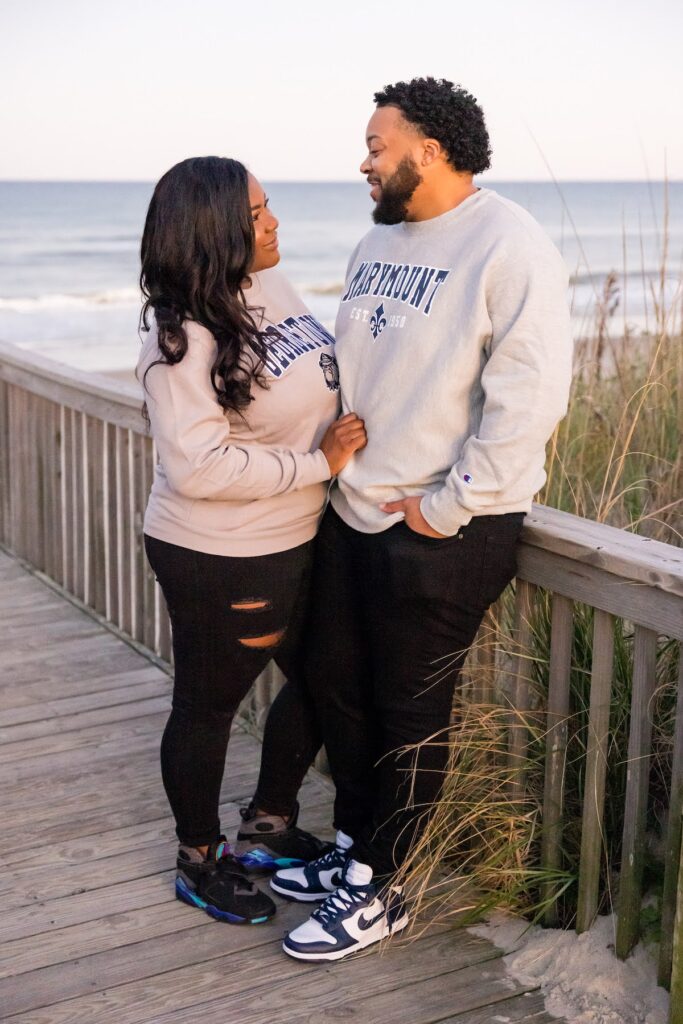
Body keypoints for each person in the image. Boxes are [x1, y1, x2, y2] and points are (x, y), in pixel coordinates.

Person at [273, 77, 573, 960]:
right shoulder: (376, 243)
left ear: (429, 151)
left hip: (445, 529)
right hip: (354, 511)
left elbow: (526, 400)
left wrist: (448, 507)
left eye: (377, 146)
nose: (364, 162)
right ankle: (355, 846)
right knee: (335, 683)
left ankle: (385, 886)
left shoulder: (508, 244)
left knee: (409, 714)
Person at [138, 156, 366, 925]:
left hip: (294, 533)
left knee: (325, 675)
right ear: (213, 232)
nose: (273, 224)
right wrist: (316, 464)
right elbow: (196, 465)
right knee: (207, 705)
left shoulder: (266, 282)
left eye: (268, 208)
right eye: (257, 215)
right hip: (219, 551)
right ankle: (198, 860)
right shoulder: (180, 335)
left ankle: (267, 826)